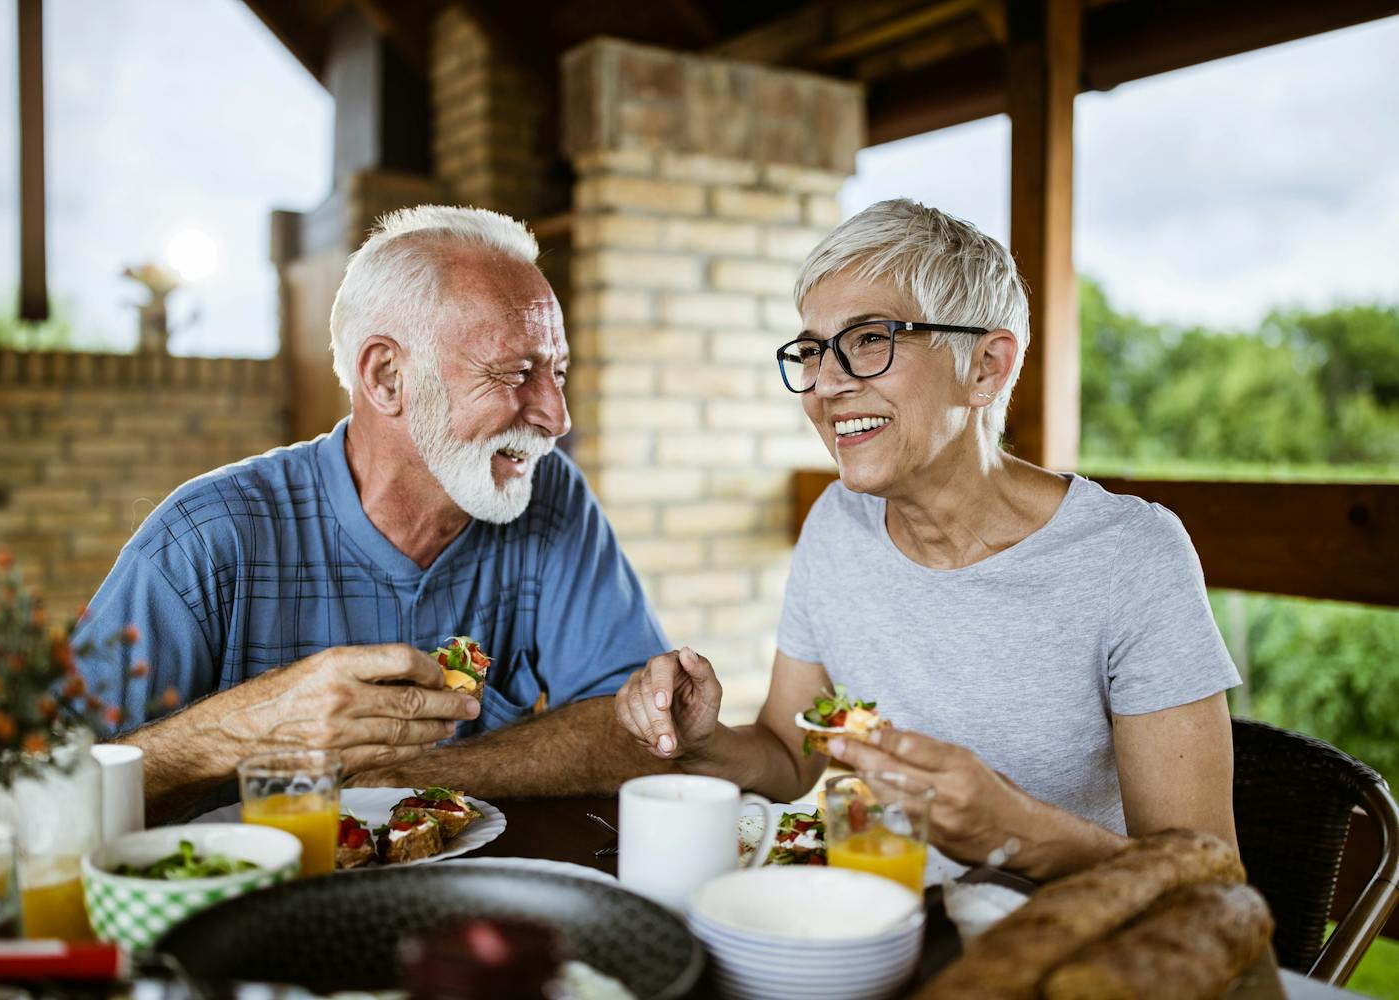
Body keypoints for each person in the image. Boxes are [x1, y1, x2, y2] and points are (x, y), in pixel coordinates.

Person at [615, 199, 1242, 880]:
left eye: (869, 339)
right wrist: (703, 740)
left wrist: (1018, 832)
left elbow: (1210, 878)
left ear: (986, 368)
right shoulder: (836, 523)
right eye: (813, 350)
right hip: (885, 922)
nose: (824, 385)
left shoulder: (1131, 557)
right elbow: (791, 758)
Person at [78, 206, 671, 821]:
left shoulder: (549, 498)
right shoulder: (204, 539)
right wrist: (246, 728)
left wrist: (403, 778)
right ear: (387, 377)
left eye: (558, 372)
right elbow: (38, 790)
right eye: (517, 374)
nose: (557, 416)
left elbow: (639, 726)